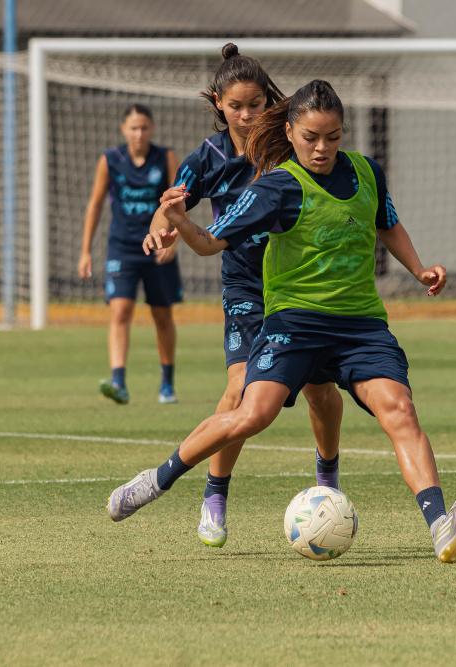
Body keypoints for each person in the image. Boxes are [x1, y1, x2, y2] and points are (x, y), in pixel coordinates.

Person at [114, 79, 456, 563]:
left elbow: (387, 223)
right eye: (311, 137)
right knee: (253, 413)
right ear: (289, 132)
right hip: (295, 324)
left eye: (333, 136)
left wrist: (418, 269)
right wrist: (178, 221)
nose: (322, 148)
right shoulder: (276, 188)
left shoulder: (366, 171)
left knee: (400, 409)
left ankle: (440, 524)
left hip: (360, 326)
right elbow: (207, 243)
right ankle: (157, 480)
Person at [142, 44, 344, 548]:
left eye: (256, 103)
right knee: (238, 393)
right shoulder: (208, 157)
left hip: (299, 286)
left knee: (322, 394)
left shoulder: (287, 143)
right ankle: (215, 494)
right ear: (218, 104)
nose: (248, 114)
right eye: (236, 106)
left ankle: (328, 480)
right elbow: (172, 204)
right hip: (246, 289)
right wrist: (157, 231)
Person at [78, 104, 182, 405]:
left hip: (157, 246)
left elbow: (179, 203)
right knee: (120, 311)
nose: (139, 133)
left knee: (162, 314)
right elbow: (95, 205)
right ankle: (118, 381)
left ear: (152, 129)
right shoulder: (111, 160)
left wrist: (173, 242)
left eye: (144, 127)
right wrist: (85, 251)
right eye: (133, 128)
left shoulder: (165, 157)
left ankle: (166, 385)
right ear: (124, 129)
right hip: (122, 248)